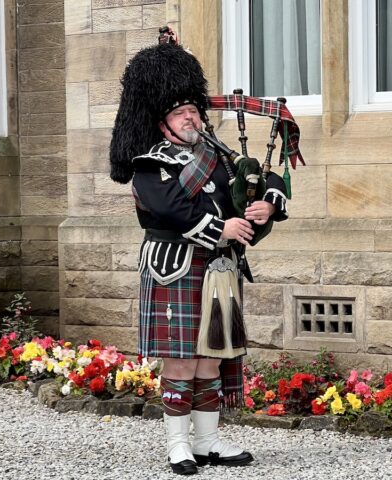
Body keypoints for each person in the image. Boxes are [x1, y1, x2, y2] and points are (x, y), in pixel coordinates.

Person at [109, 35, 289, 476]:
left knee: (212, 358)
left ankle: (208, 442)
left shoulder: (221, 156)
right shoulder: (149, 163)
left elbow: (259, 183)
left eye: (194, 111)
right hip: (175, 267)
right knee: (182, 359)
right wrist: (222, 227)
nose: (191, 118)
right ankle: (178, 446)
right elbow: (172, 209)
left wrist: (268, 204)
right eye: (180, 112)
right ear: (161, 122)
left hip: (218, 269)